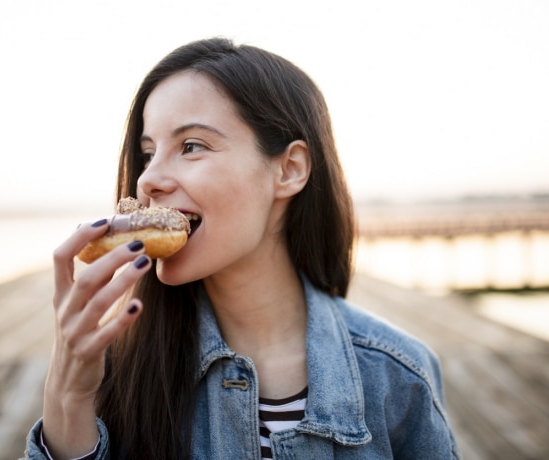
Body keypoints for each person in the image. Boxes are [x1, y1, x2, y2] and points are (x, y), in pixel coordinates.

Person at [24, 37, 460, 459]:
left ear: (289, 170)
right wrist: (67, 399)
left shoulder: (398, 376)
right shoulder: (112, 371)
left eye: (191, 146)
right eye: (148, 152)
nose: (147, 181)